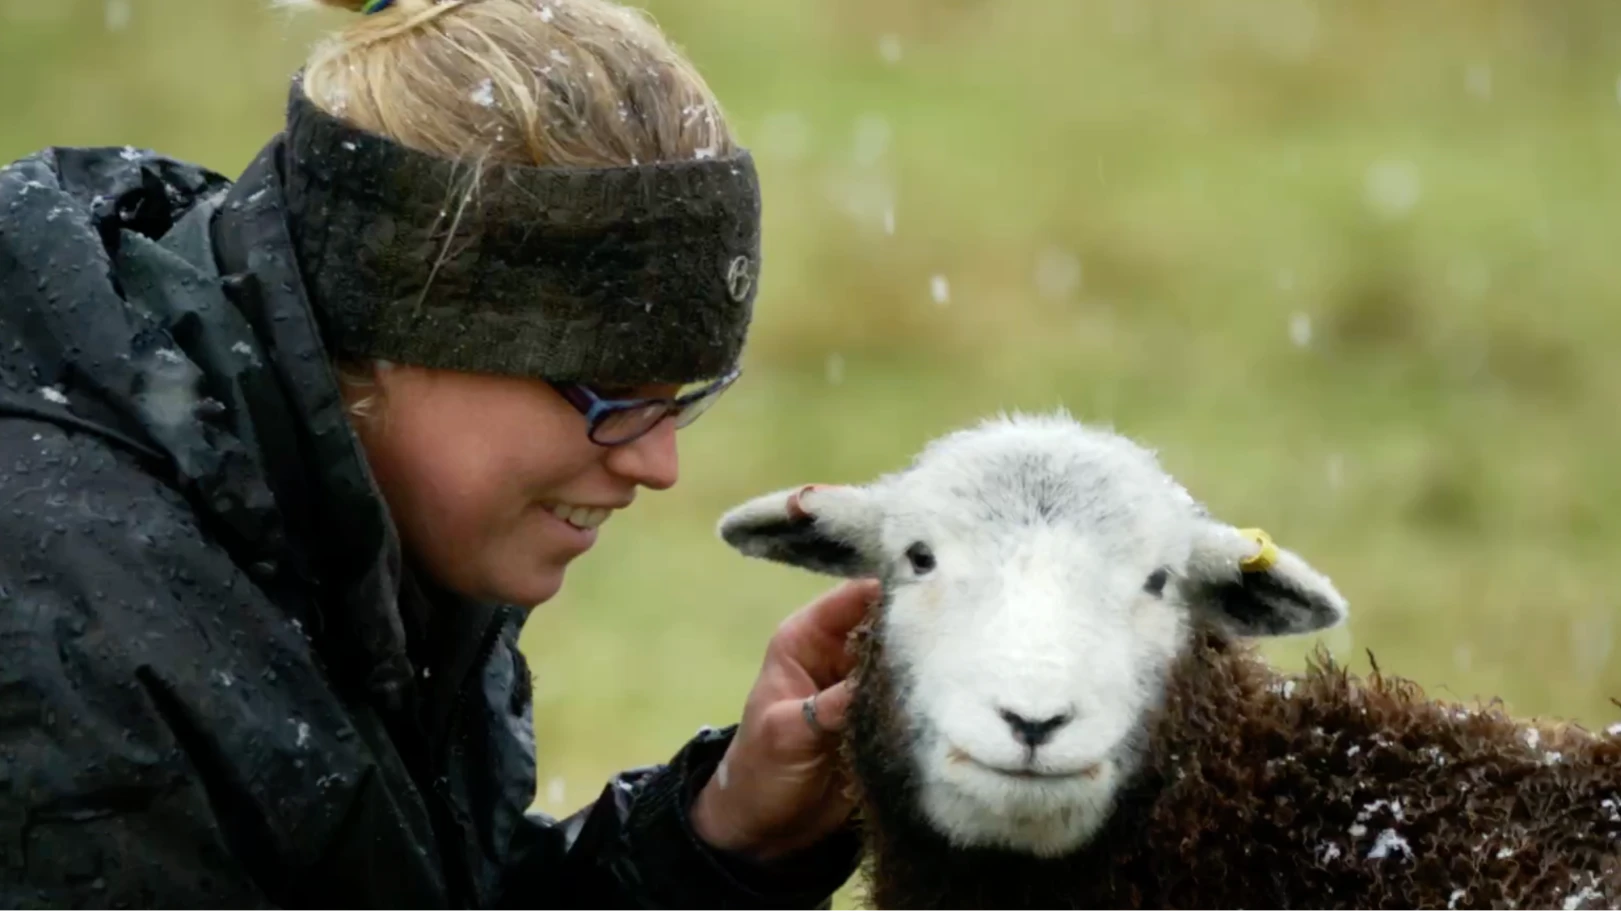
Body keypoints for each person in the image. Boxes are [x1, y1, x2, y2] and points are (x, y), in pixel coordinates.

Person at [0, 0, 876, 909]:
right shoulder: (67, 654)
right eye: (611, 396)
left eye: (681, 400)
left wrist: (719, 841)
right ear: (393, 322)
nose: (659, 467)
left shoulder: (340, 514)